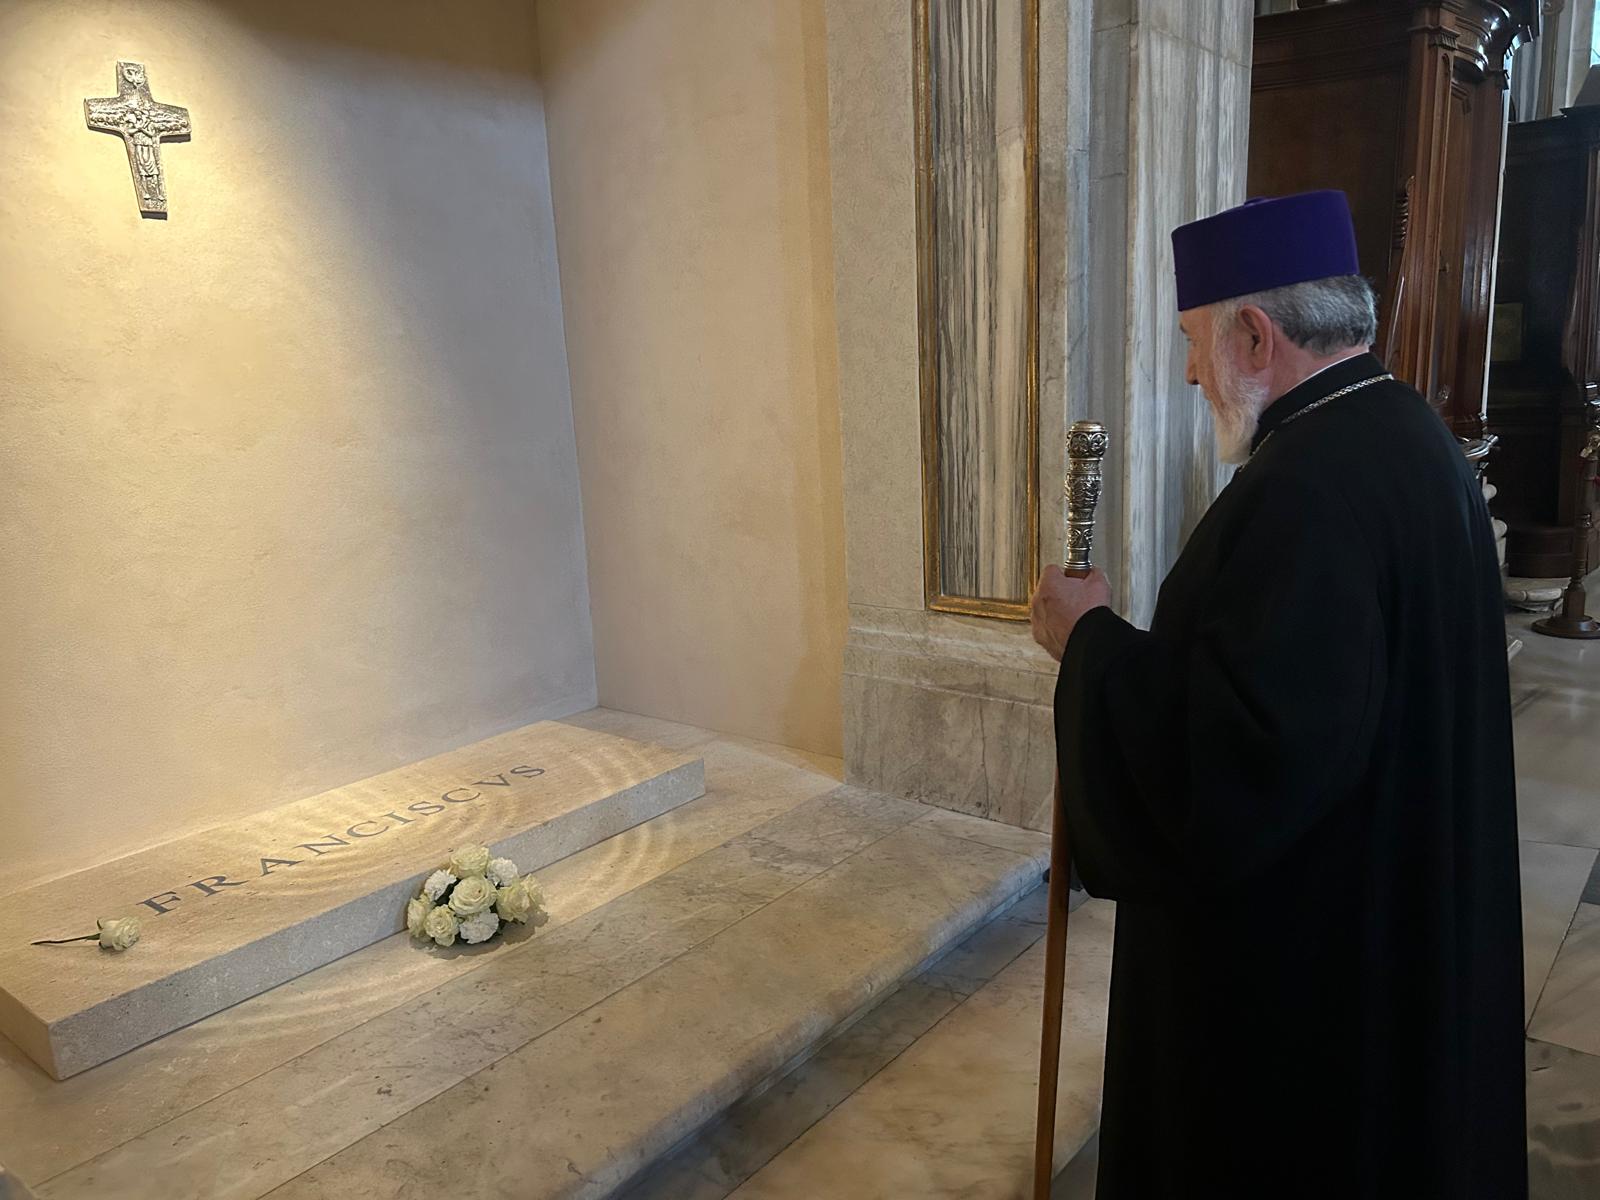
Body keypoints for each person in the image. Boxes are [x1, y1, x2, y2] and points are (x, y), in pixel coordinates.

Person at [1029, 191, 1525, 1197]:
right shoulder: (1408, 434)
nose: (1188, 373)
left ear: (1256, 334)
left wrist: (1087, 645)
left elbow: (1236, 766)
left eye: (1193, 343)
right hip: (1393, 917)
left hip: (1308, 998)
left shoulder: (1306, 493)